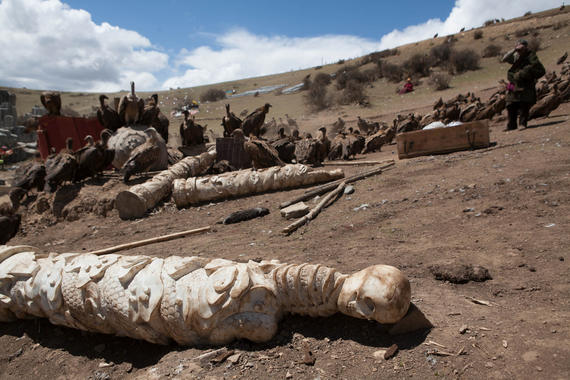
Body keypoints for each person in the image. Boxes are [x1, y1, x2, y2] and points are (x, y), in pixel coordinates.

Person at [501, 39, 545, 130]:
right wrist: (514, 50)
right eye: (518, 46)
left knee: (524, 104)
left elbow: (536, 66)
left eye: (521, 47)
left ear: (525, 47)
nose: (519, 50)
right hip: (513, 82)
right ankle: (511, 125)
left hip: (525, 83)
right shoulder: (516, 55)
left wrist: (524, 72)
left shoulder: (531, 55)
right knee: (510, 103)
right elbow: (504, 59)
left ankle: (522, 124)